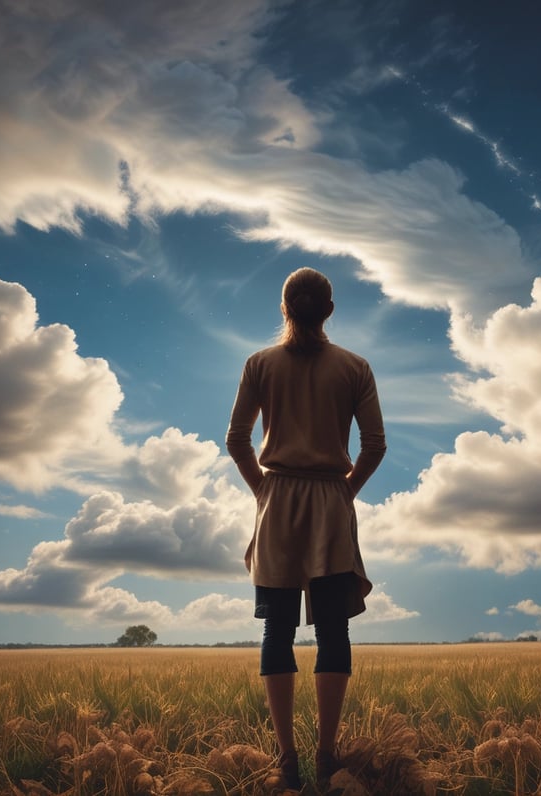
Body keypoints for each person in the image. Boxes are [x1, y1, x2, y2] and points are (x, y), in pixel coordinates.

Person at [226, 267, 387, 791]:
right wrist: (345, 491)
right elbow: (375, 445)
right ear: (330, 310)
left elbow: (237, 440)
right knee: (334, 632)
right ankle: (326, 756)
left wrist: (263, 491)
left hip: (277, 501)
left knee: (276, 630)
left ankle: (286, 760)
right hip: (330, 502)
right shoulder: (355, 367)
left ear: (284, 308)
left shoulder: (259, 364)